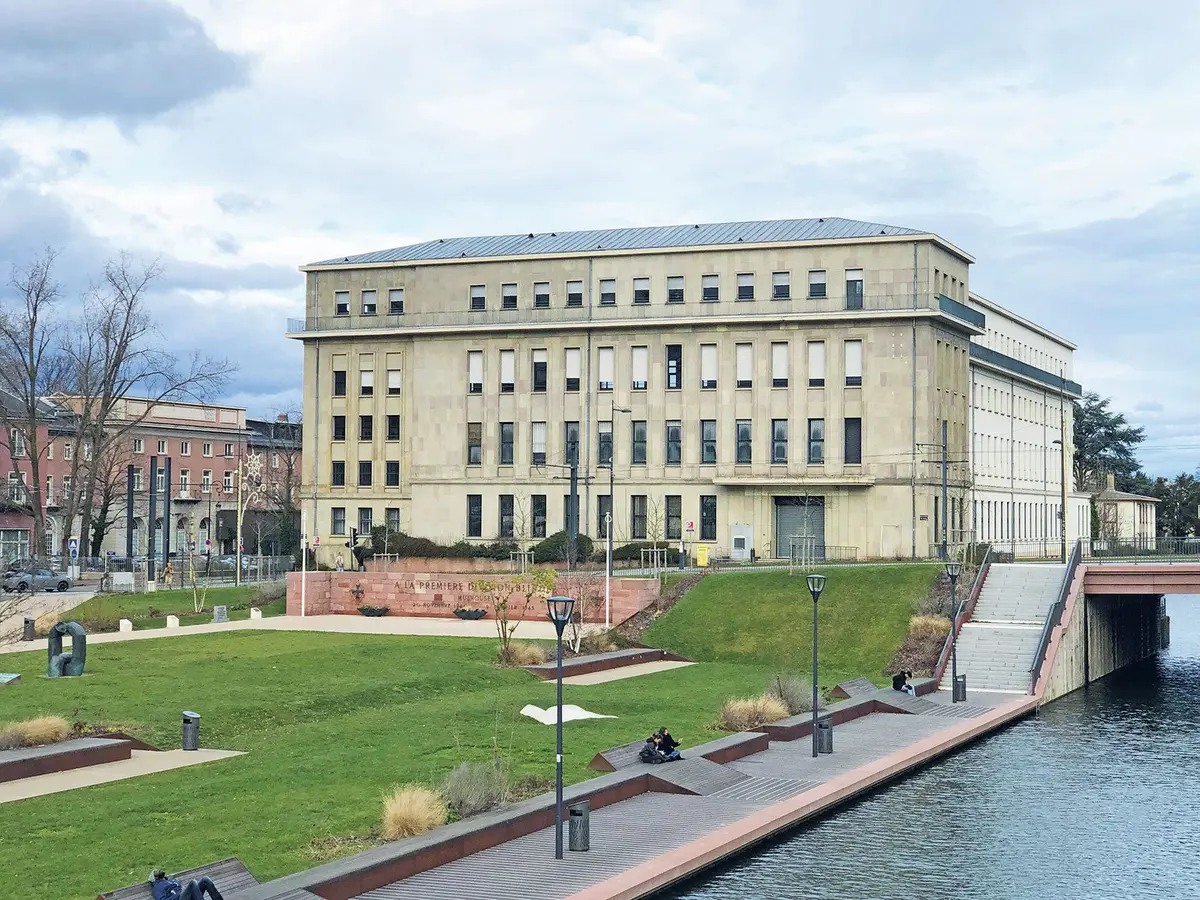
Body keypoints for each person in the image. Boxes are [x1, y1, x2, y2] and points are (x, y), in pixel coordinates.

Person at [151, 869, 225, 900]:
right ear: (155, 878)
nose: (158, 871)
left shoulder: (171, 880)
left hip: (186, 897)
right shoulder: (157, 887)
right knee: (193, 883)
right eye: (156, 872)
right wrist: (177, 894)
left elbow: (181, 888)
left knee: (205, 879)